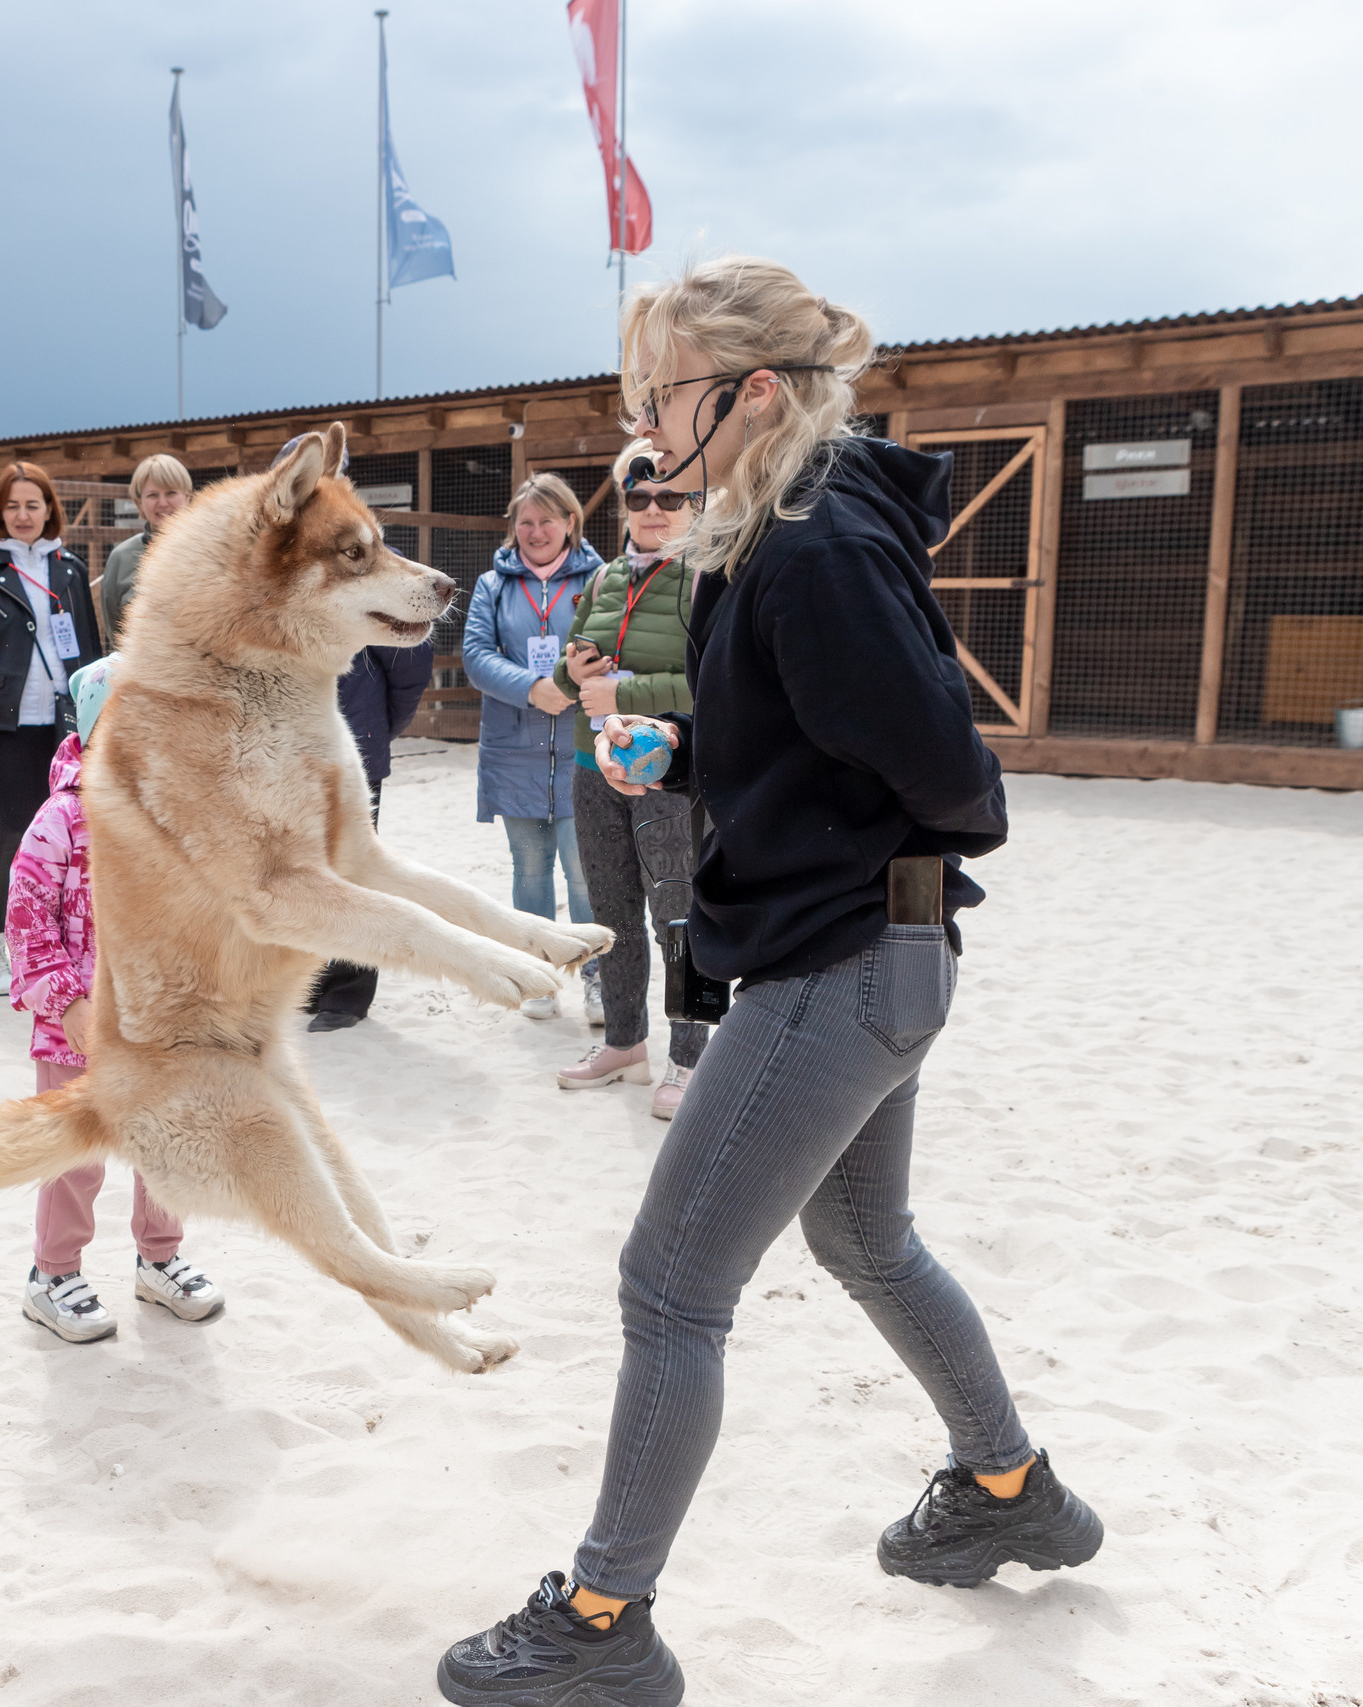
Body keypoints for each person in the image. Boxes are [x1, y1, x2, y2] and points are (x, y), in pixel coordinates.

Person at [437, 258, 1100, 1707]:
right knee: (868, 1244)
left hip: (843, 958)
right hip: (887, 949)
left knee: (670, 1282)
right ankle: (1008, 1485)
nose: (643, 420)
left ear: (747, 393)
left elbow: (950, 773)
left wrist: (842, 842)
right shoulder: (790, 524)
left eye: (658, 394)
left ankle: (604, 1622)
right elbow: (823, 734)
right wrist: (692, 757)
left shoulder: (810, 543)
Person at [8, 657, 222, 1342]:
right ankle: (54, 1272)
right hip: (78, 1026)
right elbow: (27, 921)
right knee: (78, 1154)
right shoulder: (59, 822)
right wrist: (69, 1003)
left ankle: (159, 1258)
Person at [550, 439, 708, 1119]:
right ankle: (624, 1042)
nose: (652, 508)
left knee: (681, 916)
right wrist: (577, 674)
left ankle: (692, 1056)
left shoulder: (708, 577)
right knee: (610, 915)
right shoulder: (605, 576)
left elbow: (713, 684)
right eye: (639, 496)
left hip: (669, 774)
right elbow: (565, 679)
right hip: (594, 769)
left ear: (696, 503)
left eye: (670, 496)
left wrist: (625, 691)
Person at [0, 462, 107, 996]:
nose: (22, 515)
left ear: (48, 509)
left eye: (32, 504)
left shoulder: (70, 569)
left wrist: (99, 722)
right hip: (6, 725)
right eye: (12, 505)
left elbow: (87, 652)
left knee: (71, 836)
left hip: (64, 725)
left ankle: (56, 943)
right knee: (17, 832)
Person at [460, 472, 603, 1021]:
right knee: (529, 870)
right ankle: (539, 977)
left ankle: (596, 976)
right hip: (513, 753)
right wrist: (531, 688)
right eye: (526, 522)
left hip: (581, 750)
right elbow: (476, 655)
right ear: (514, 528)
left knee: (586, 872)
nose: (536, 530)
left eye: (547, 520)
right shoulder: (491, 587)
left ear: (570, 522)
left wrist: (566, 687)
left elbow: (612, 645)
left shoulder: (599, 579)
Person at [304, 635, 434, 1032]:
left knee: (352, 870)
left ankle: (347, 992)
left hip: (353, 737)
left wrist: (378, 726)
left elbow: (410, 665)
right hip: (287, 745)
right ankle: (309, 982)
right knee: (298, 868)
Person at [97, 453, 193, 640]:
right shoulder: (122, 557)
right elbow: (115, 632)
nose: (163, 503)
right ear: (139, 503)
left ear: (188, 498)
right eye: (153, 495)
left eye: (171, 493)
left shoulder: (210, 551)